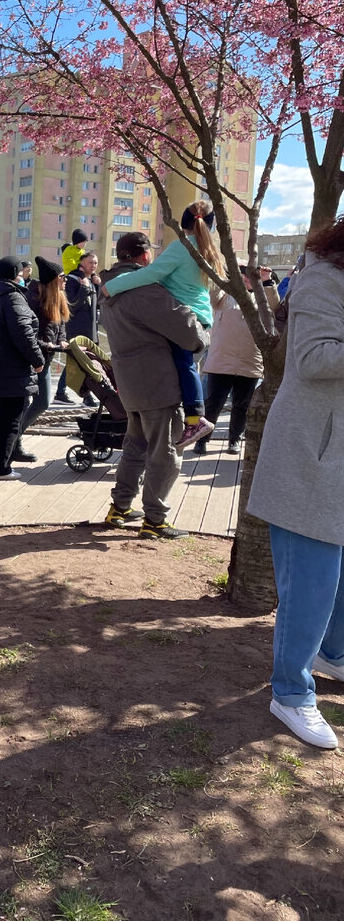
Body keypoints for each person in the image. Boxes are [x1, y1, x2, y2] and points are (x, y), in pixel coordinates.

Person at [248, 216, 344, 750]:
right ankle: (290, 692)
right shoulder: (323, 276)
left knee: (338, 575)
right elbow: (311, 360)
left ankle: (333, 655)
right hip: (313, 454)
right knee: (311, 581)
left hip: (337, 453)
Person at [99, 231, 205, 539]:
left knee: (135, 448)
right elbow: (187, 331)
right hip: (158, 383)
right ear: (144, 256)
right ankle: (155, 519)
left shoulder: (109, 290)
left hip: (129, 383)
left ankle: (119, 508)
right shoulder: (144, 288)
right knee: (166, 451)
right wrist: (204, 334)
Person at [101, 201, 222, 448]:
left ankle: (195, 418)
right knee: (185, 364)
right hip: (201, 314)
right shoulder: (211, 250)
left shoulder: (182, 247)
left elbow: (150, 274)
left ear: (184, 222)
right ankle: (193, 415)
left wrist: (111, 286)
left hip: (183, 316)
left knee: (184, 363)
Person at [194, 264, 280, 455]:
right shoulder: (223, 295)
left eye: (250, 276)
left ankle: (234, 440)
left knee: (242, 405)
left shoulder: (261, 297)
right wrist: (225, 270)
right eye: (243, 276)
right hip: (221, 362)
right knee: (213, 405)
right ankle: (202, 440)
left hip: (250, 361)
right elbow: (212, 287)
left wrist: (266, 280)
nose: (246, 279)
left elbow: (274, 306)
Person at [0, 257, 46, 480]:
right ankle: (0, 468)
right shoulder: (14, 297)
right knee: (11, 419)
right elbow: (23, 332)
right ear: (15, 274)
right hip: (13, 369)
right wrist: (37, 359)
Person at [18, 257, 69, 452]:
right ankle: (15, 442)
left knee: (43, 402)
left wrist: (61, 341)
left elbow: (61, 324)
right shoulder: (34, 299)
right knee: (25, 404)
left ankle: (16, 437)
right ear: (54, 279)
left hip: (45, 358)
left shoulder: (59, 298)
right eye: (63, 277)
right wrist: (48, 345)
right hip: (31, 359)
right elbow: (27, 334)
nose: (66, 281)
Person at [56, 251, 100, 404]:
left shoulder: (91, 281)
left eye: (95, 263)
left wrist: (97, 286)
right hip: (77, 330)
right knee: (82, 363)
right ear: (82, 263)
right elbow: (71, 306)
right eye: (90, 262)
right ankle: (85, 396)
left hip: (90, 331)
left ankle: (61, 393)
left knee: (76, 362)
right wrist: (84, 289)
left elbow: (97, 306)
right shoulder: (73, 280)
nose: (94, 265)